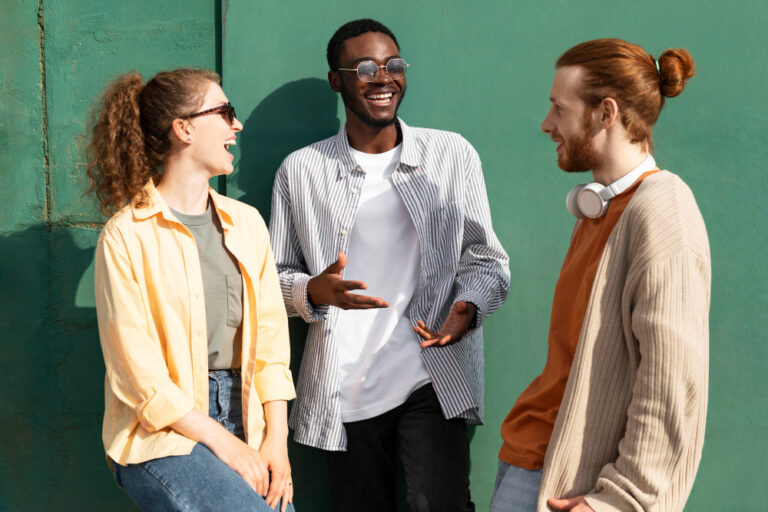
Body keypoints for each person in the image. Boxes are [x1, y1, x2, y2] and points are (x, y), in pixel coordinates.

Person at [268, 18, 509, 512]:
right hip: (344, 385)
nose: (383, 77)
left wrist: (468, 307)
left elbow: (486, 259)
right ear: (337, 80)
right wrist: (314, 291)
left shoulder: (451, 155)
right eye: (366, 67)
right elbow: (273, 279)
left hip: (431, 374)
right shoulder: (302, 170)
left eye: (394, 64)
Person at [491, 39, 710, 512]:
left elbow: (671, 381)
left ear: (605, 113)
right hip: (530, 463)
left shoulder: (661, 211)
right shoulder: (599, 209)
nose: (547, 124)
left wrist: (618, 501)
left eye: (558, 108)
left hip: (574, 486)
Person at [88, 68, 296, 512]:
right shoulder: (126, 236)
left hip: (250, 417)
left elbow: (272, 347)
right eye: (225, 113)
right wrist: (224, 442)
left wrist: (276, 442)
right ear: (183, 128)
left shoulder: (247, 223)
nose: (236, 125)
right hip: (161, 434)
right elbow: (137, 375)